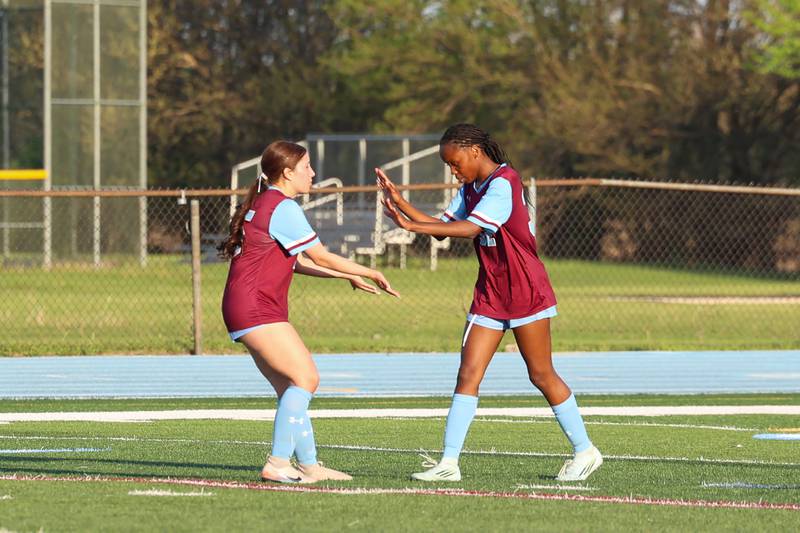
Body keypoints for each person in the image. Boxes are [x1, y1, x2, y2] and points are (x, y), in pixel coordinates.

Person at [376, 123, 601, 482]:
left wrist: (412, 226)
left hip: (525, 290)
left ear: (474, 151)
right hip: (490, 294)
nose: (453, 170)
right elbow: (442, 224)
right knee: (468, 373)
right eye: (449, 165)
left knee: (540, 373)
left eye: (455, 162)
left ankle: (585, 451)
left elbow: (470, 229)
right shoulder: (470, 188)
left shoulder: (504, 182)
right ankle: (449, 463)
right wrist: (401, 204)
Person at [219, 140, 400, 484]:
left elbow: (297, 262)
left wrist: (346, 275)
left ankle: (310, 465)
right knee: (307, 379)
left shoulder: (266, 202)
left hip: (244, 304)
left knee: (291, 386)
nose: (313, 174)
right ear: (287, 173)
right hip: (256, 306)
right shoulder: (283, 207)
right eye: (306, 167)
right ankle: (277, 462)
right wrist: (368, 270)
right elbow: (319, 255)